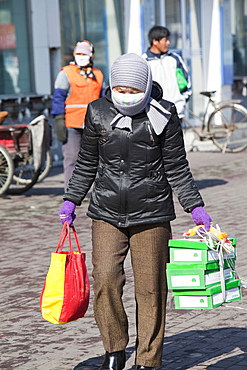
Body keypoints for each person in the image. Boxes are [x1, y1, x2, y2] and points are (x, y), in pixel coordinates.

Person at [58, 53, 212, 370]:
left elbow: (177, 167)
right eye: (120, 89)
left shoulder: (164, 116)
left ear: (144, 87)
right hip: (106, 211)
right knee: (105, 281)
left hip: (152, 214)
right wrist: (72, 199)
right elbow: (86, 162)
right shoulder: (97, 112)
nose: (126, 96)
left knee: (151, 288)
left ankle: (147, 359)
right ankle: (114, 350)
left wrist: (195, 206)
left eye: (133, 90)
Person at [51, 40, 104, 188]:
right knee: (72, 158)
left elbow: (103, 99)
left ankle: (93, 190)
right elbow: (58, 97)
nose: (81, 56)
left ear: (91, 56)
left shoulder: (98, 75)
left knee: (93, 158)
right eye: (78, 53)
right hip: (72, 123)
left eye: (84, 54)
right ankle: (71, 191)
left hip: (93, 123)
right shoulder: (66, 73)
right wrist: (59, 119)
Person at [142, 25, 191, 120]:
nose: (168, 43)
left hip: (176, 112)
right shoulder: (144, 61)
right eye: (166, 40)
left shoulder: (174, 58)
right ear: (155, 41)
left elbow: (186, 82)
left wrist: (182, 102)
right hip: (154, 116)